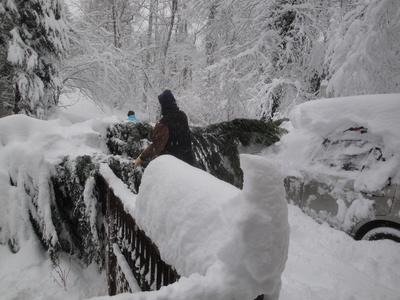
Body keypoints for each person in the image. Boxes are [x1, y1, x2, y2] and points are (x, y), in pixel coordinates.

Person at [133, 90, 194, 167]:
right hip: (187, 162)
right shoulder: (182, 115)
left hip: (171, 165)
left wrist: (141, 158)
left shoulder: (164, 123)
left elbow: (156, 147)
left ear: (164, 105)